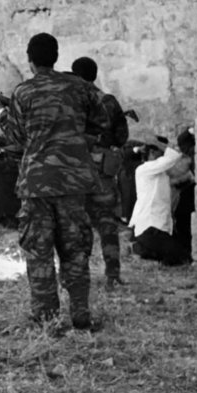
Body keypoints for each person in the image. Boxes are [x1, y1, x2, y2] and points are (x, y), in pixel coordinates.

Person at [0, 33, 107, 329]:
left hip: (37, 182)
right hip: (73, 183)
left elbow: (16, 138)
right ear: (56, 56)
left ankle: (46, 318)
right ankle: (80, 311)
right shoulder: (80, 88)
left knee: (39, 251)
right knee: (75, 249)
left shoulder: (23, 92)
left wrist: (1, 113)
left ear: (30, 60)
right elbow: (102, 122)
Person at [71, 57, 130, 290]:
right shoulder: (109, 101)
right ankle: (112, 275)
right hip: (103, 172)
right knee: (107, 225)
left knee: (79, 227)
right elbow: (122, 137)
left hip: (79, 172)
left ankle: (79, 274)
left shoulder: (72, 103)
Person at [128, 139, 192, 265]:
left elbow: (177, 177)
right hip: (150, 228)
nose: (162, 155)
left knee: (182, 253)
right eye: (160, 152)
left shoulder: (160, 173)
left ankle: (145, 250)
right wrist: (161, 144)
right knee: (182, 258)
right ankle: (141, 249)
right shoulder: (144, 169)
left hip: (159, 227)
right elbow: (172, 157)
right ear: (152, 152)